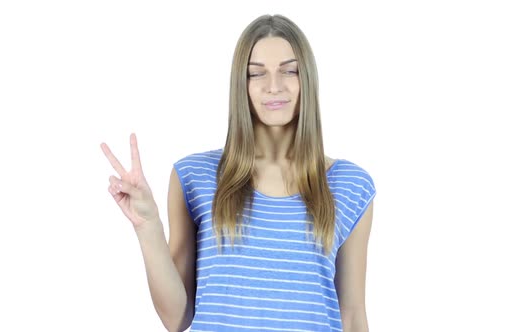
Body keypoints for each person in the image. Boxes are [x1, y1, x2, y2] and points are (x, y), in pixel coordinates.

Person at [101, 14, 376, 332]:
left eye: (289, 71)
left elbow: (353, 314)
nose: (274, 86)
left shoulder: (350, 186)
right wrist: (147, 226)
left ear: (308, 80)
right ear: (240, 85)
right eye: (256, 74)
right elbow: (176, 317)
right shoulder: (195, 178)